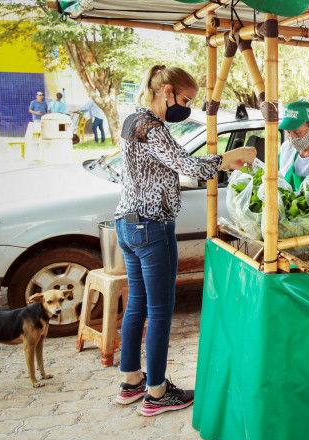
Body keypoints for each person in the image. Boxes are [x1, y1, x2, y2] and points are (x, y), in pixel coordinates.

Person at [114, 65, 256, 416]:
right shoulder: (152, 126)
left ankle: (131, 380)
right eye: (186, 99)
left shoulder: (132, 120)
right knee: (160, 311)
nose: (187, 107)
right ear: (166, 91)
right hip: (151, 227)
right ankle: (158, 391)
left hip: (128, 223)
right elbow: (184, 165)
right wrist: (227, 159)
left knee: (138, 305)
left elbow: (168, 165)